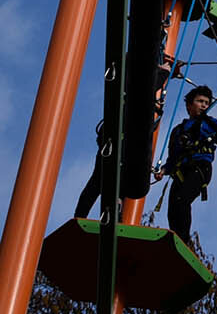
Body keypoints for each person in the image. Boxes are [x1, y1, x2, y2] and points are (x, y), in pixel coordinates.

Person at [73, 62, 174, 221]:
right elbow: (145, 91)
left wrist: (163, 73)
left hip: (118, 141)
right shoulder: (130, 94)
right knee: (103, 181)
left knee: (102, 182)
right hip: (118, 140)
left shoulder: (128, 92)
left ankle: (89, 216)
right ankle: (97, 215)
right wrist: (164, 73)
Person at [159, 85, 217, 247]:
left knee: (183, 200)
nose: (204, 105)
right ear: (189, 105)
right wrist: (163, 170)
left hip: (200, 167)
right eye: (200, 101)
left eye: (206, 102)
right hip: (181, 171)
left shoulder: (209, 123)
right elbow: (172, 158)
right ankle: (175, 238)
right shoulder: (178, 131)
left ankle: (183, 241)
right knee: (173, 208)